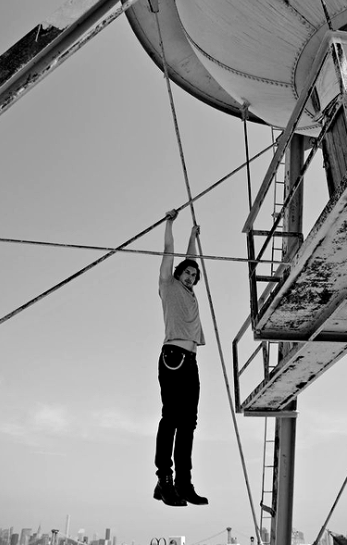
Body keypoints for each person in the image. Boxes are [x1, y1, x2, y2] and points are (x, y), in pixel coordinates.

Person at [153, 209, 209, 507]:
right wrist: (170, 224)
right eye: (186, 273)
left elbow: (190, 258)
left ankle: (184, 484)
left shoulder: (189, 292)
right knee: (171, 419)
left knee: (189, 423)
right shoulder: (168, 285)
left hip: (191, 362)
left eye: (193, 275)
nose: (190, 275)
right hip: (173, 358)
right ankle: (164, 480)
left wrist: (193, 236)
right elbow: (169, 253)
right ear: (176, 274)